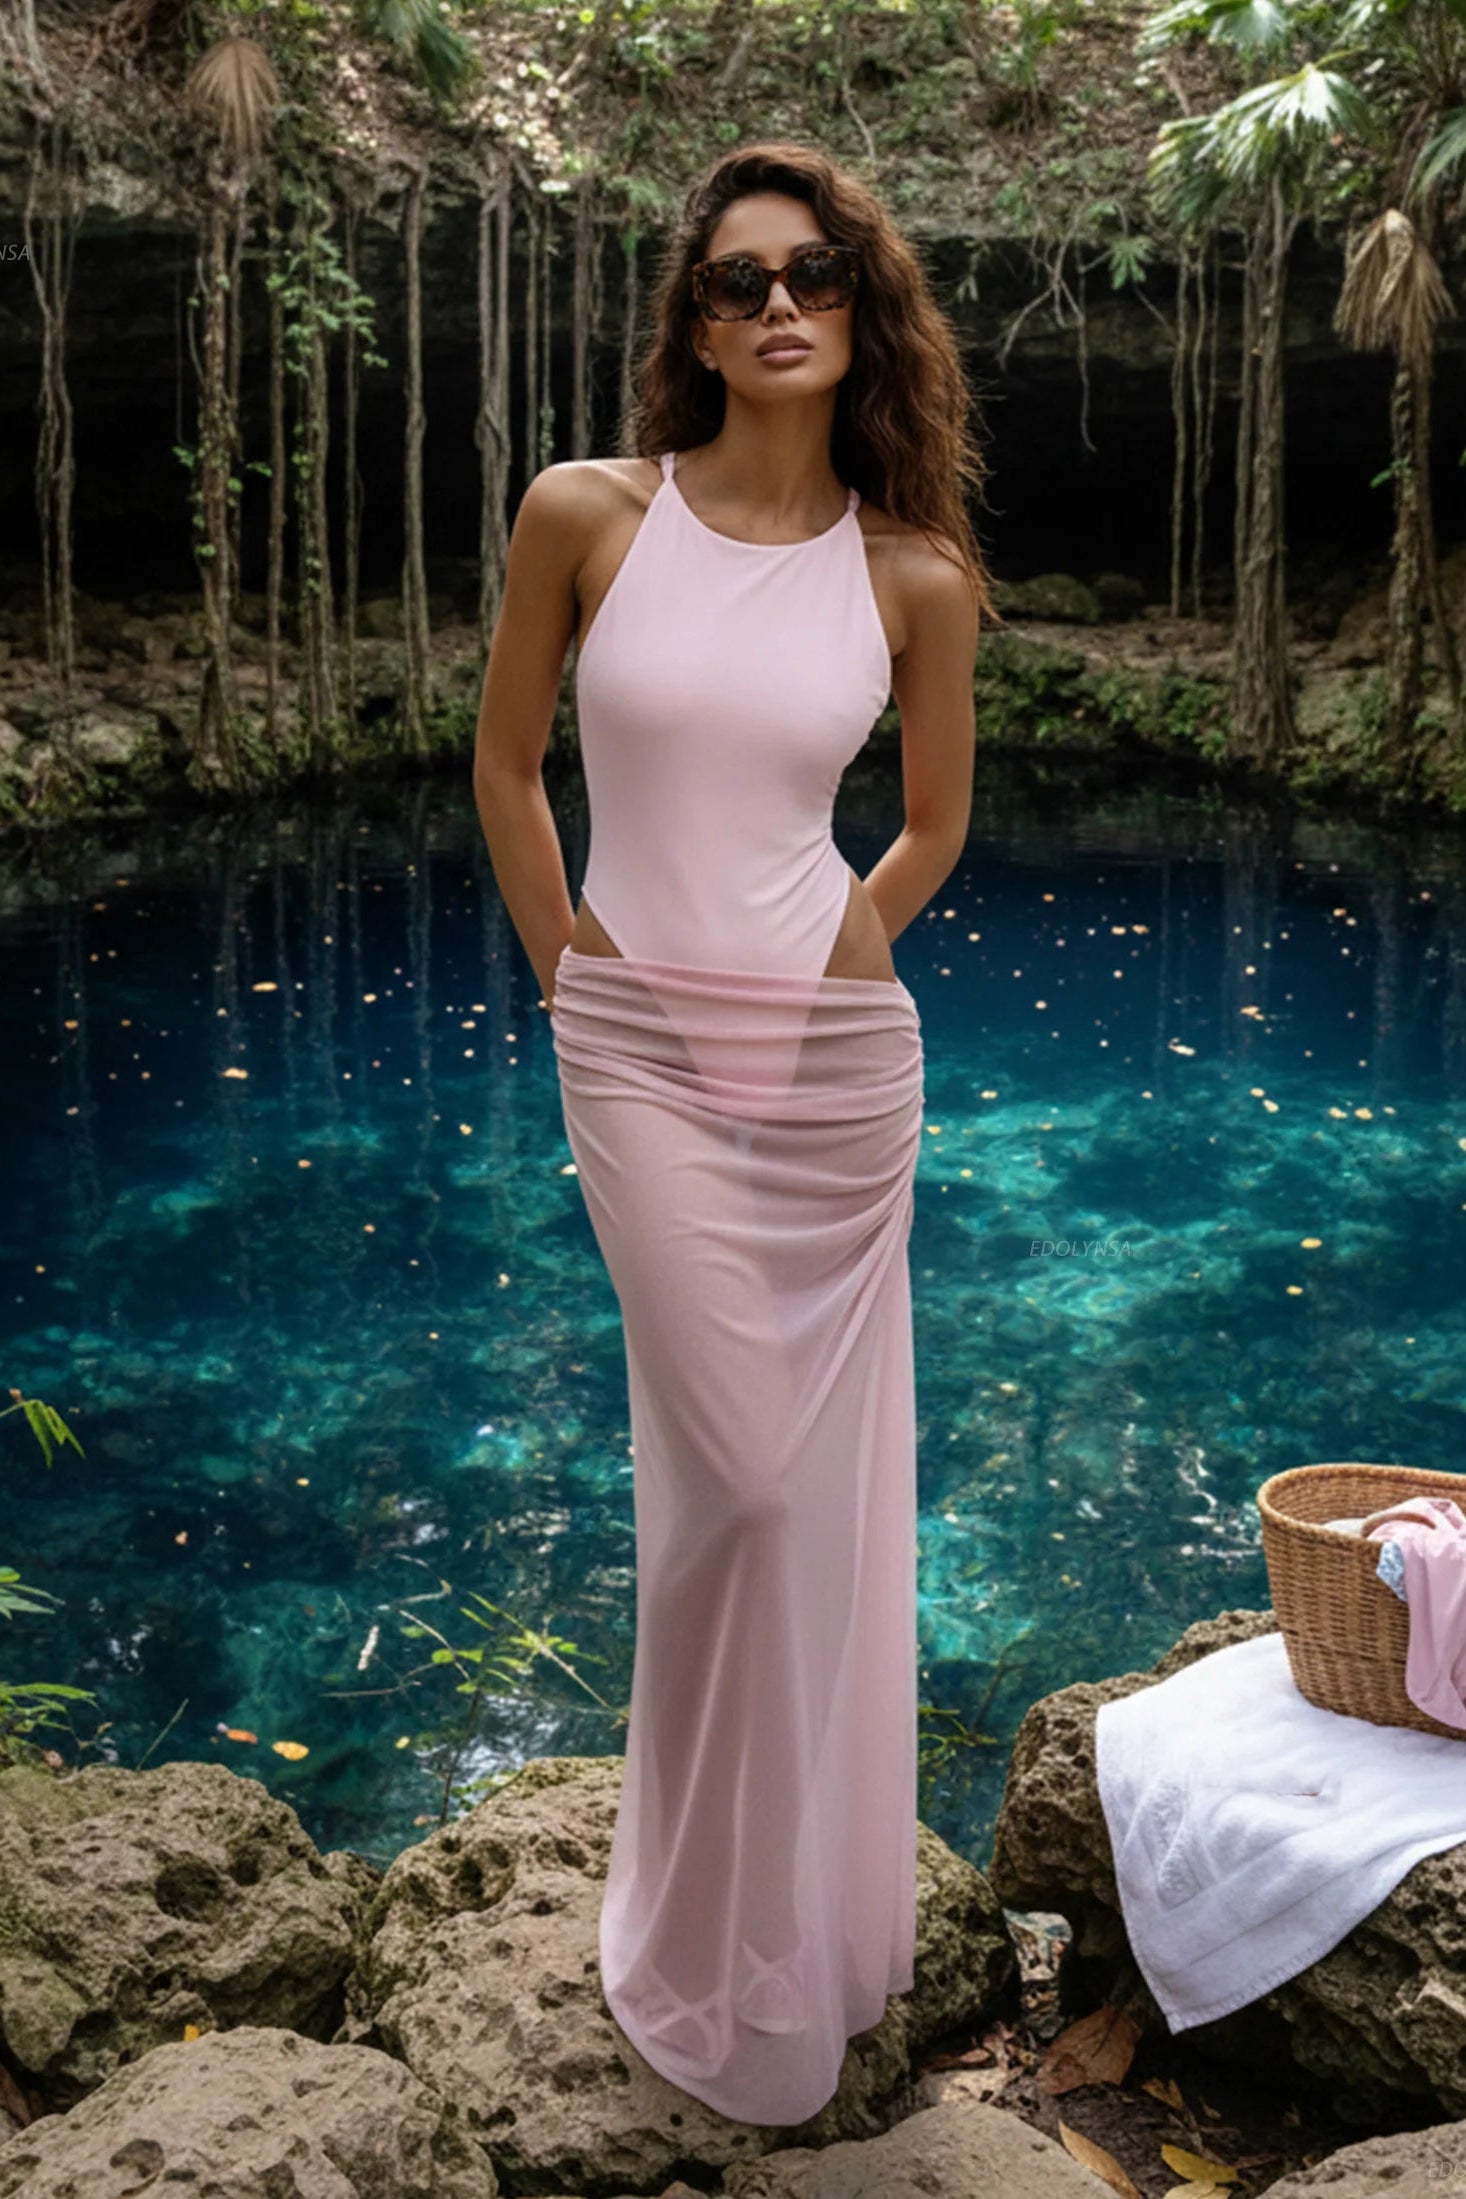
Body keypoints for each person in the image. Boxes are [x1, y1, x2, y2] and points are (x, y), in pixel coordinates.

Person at [473, 139, 990, 2129]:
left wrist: (840, 937)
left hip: (836, 1071)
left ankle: (796, 1925)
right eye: (735, 280)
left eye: (815, 276)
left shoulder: (911, 574)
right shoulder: (585, 514)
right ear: (691, 319)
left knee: (793, 1499)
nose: (775, 306)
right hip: (636, 1047)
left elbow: (930, 822)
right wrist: (570, 968)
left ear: (863, 311)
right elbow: (509, 760)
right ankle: (690, 1927)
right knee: (741, 1489)